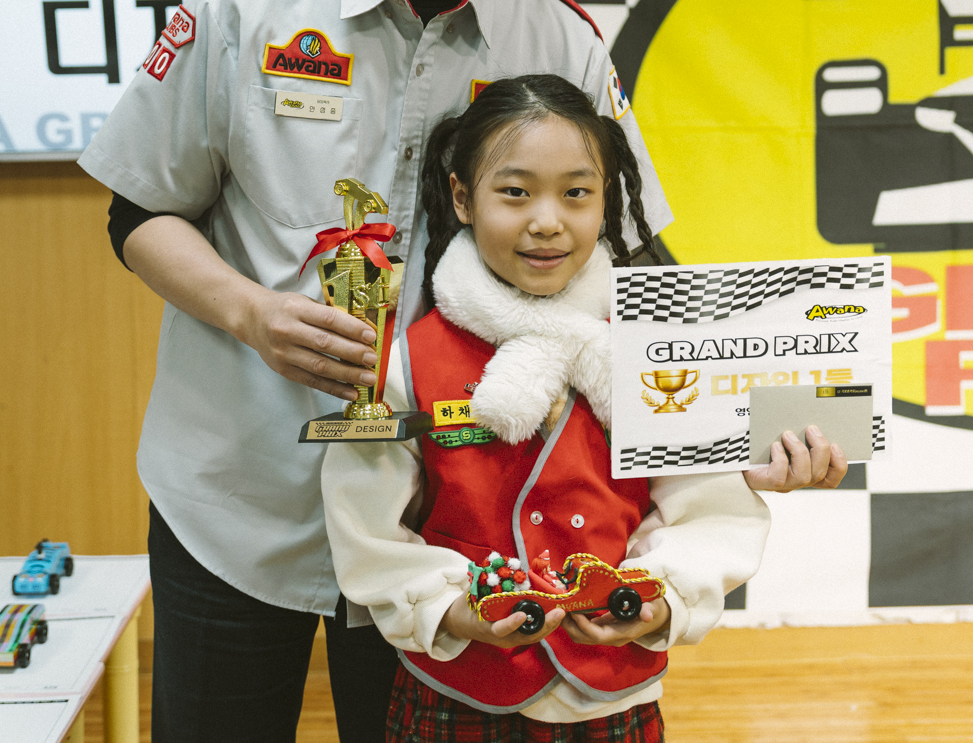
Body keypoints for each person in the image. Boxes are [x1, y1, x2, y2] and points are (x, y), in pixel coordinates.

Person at [78, 0, 844, 743]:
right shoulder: (244, 4)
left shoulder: (560, 40)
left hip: (440, 529)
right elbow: (138, 214)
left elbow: (636, 263)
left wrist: (765, 425)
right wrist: (251, 313)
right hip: (235, 495)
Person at [323, 74, 772, 740]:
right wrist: (451, 610)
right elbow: (366, 526)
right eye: (515, 191)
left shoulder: (652, 352)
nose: (546, 220)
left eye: (576, 193)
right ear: (462, 197)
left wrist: (659, 597)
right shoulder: (407, 361)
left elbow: (711, 508)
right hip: (457, 688)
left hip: (610, 694)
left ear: (606, 200)